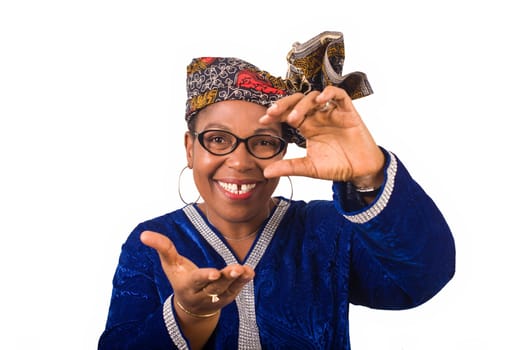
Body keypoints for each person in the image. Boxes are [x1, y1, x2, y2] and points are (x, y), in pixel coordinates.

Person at [99, 32, 455, 349]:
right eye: (218, 139)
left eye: (263, 142)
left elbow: (420, 278)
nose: (239, 162)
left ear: (284, 149)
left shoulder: (325, 230)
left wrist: (370, 173)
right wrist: (188, 314)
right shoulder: (154, 243)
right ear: (190, 148)